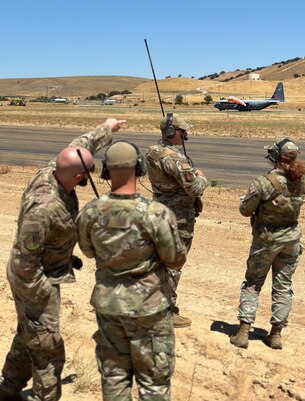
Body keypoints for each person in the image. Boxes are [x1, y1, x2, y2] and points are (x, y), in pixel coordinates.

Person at [0, 118, 126, 401]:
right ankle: (45, 396)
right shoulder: (44, 208)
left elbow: (80, 146)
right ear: (78, 178)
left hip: (44, 271)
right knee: (47, 344)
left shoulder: (56, 168)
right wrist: (43, 296)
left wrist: (107, 127)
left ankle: (8, 388)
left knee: (28, 333)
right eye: (87, 176)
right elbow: (24, 260)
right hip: (33, 279)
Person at [76, 140, 186, 401]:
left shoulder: (91, 212)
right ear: (139, 167)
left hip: (109, 306)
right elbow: (175, 259)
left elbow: (88, 251)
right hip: (149, 308)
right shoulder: (156, 214)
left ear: (106, 170)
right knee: (154, 383)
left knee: (114, 378)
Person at [230, 138, 305, 350]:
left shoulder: (264, 182)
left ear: (275, 156)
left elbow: (245, 210)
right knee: (283, 287)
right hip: (291, 239)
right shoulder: (302, 181)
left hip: (266, 240)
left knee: (253, 283)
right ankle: (275, 335)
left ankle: (244, 332)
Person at [145, 113, 208, 328]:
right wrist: (201, 176)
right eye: (182, 132)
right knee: (174, 264)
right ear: (172, 133)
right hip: (178, 217)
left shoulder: (153, 151)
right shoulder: (174, 159)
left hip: (159, 212)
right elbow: (194, 188)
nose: (186, 135)